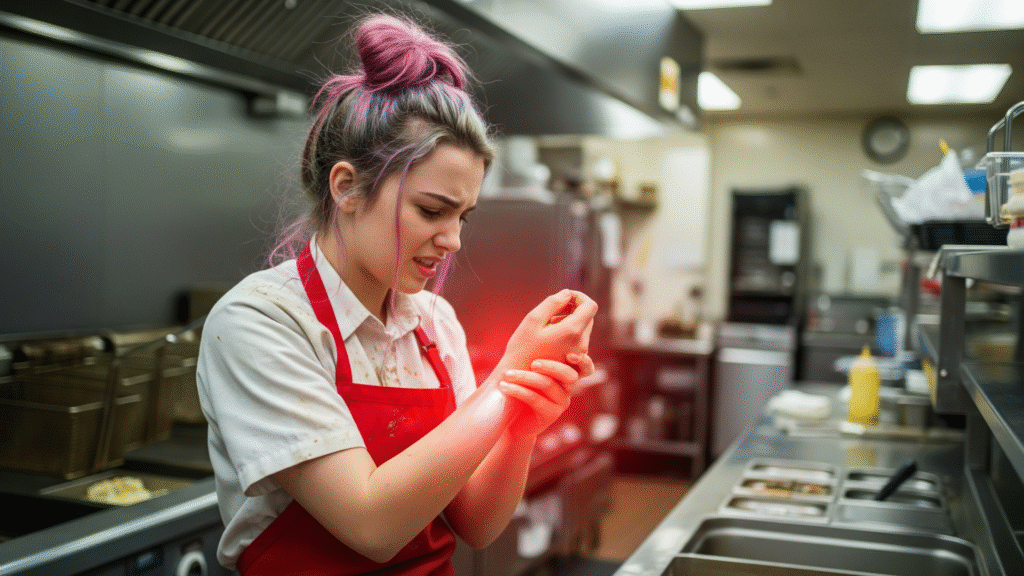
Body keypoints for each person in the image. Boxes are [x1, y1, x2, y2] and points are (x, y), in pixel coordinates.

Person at [195, 13, 598, 576]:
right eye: (432, 211)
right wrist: (505, 385)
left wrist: (521, 427)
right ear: (347, 188)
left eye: (463, 216)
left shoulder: (435, 322)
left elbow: (477, 523)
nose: (453, 240)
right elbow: (370, 524)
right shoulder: (260, 321)